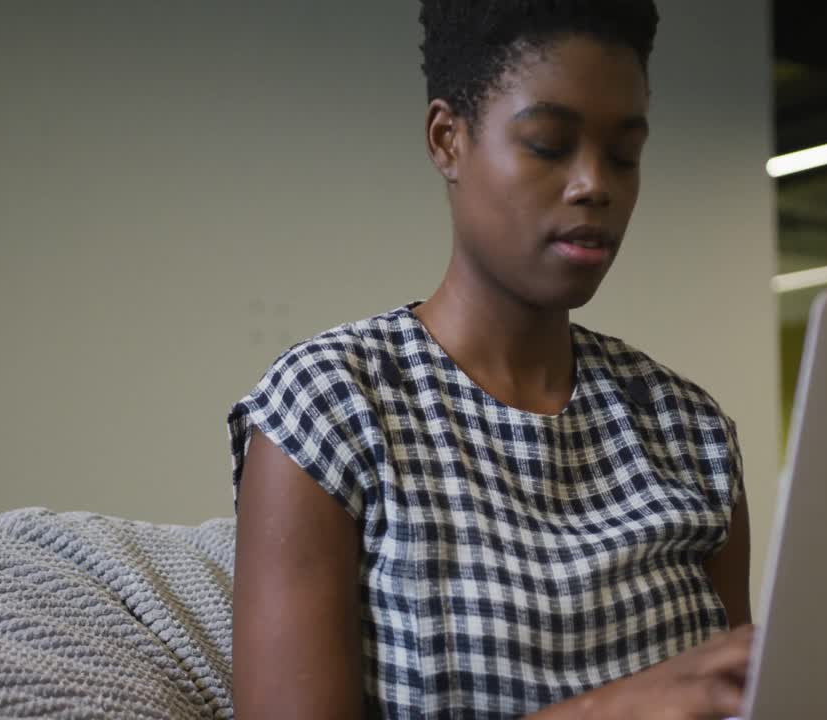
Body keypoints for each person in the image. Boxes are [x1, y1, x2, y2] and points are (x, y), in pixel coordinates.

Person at [228, 1, 753, 717]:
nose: (594, 183)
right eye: (548, 143)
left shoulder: (690, 433)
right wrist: (616, 708)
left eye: (624, 154)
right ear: (448, 140)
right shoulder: (332, 408)